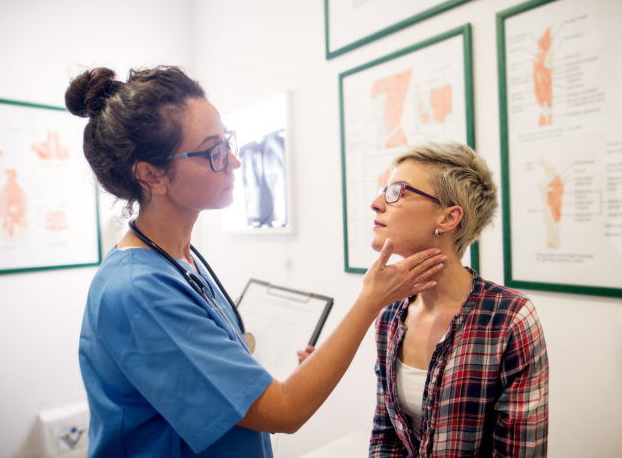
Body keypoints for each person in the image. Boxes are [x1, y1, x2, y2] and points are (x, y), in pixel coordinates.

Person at [65, 65, 446, 457]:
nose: (234, 162)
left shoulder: (180, 258)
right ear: (151, 175)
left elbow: (231, 383)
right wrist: (371, 299)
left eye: (228, 142)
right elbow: (283, 411)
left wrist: (294, 373)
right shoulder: (137, 292)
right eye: (213, 151)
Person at [368, 142, 549, 457]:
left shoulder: (510, 319)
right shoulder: (390, 315)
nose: (376, 203)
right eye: (384, 190)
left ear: (448, 218)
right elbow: (386, 437)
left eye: (397, 191)